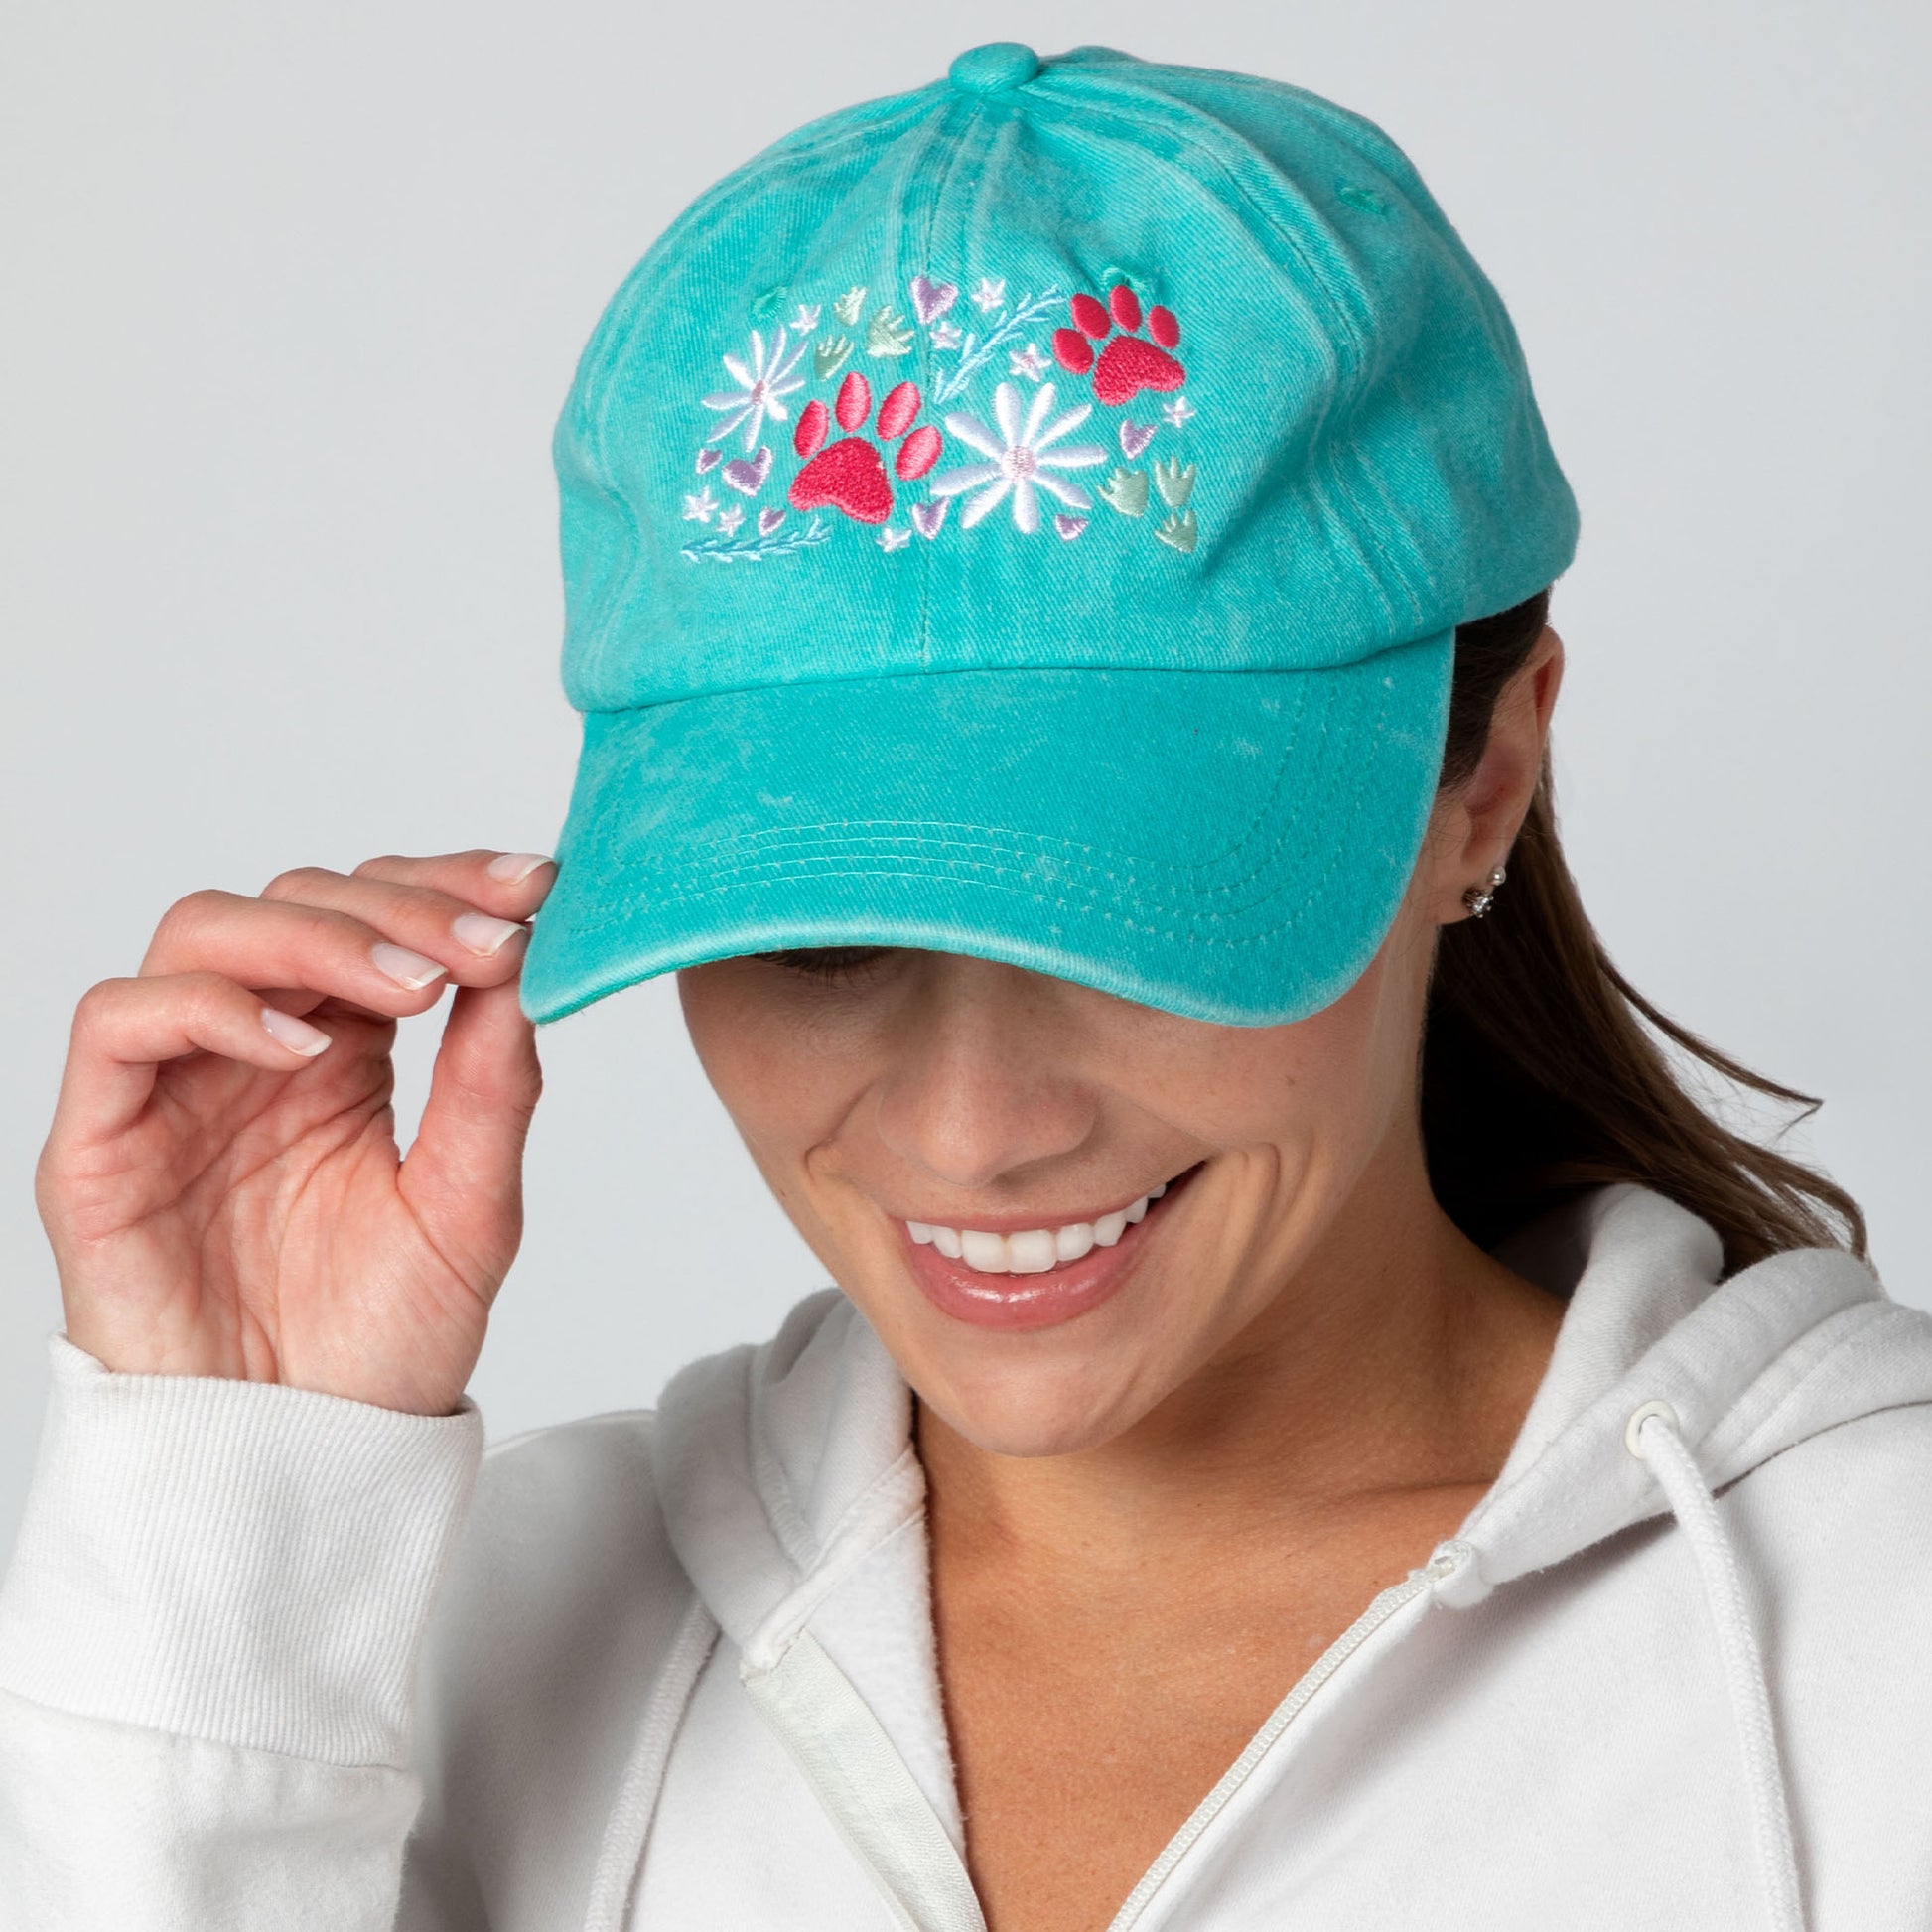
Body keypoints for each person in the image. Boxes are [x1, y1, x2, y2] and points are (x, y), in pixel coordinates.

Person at [2, 39, 1927, 1932]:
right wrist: (224, 1563)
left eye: (1132, 909)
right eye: (820, 933)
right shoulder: (457, 1648)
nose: (973, 1130)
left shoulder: (1874, 1644)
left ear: (1480, 776)